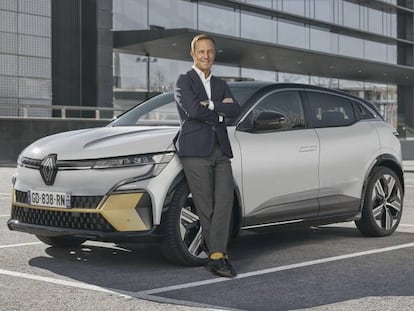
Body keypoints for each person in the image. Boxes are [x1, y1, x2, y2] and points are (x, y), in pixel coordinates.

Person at [173, 34, 241, 278]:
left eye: (210, 51)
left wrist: (210, 105)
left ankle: (215, 253)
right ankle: (217, 256)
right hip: (195, 150)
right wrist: (220, 111)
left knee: (225, 201)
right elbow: (191, 110)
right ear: (193, 54)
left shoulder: (221, 83)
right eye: (201, 51)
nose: (206, 55)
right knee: (206, 204)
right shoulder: (184, 81)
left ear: (214, 54)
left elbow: (236, 110)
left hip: (220, 149)